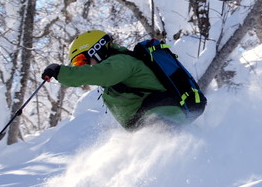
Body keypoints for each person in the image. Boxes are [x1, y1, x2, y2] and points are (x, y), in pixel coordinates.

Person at [41, 30, 189, 130]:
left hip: (163, 119)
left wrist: (61, 72)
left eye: (81, 60)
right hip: (151, 124)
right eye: (77, 64)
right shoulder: (113, 74)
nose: (83, 66)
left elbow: (98, 73)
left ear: (95, 49)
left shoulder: (121, 62)